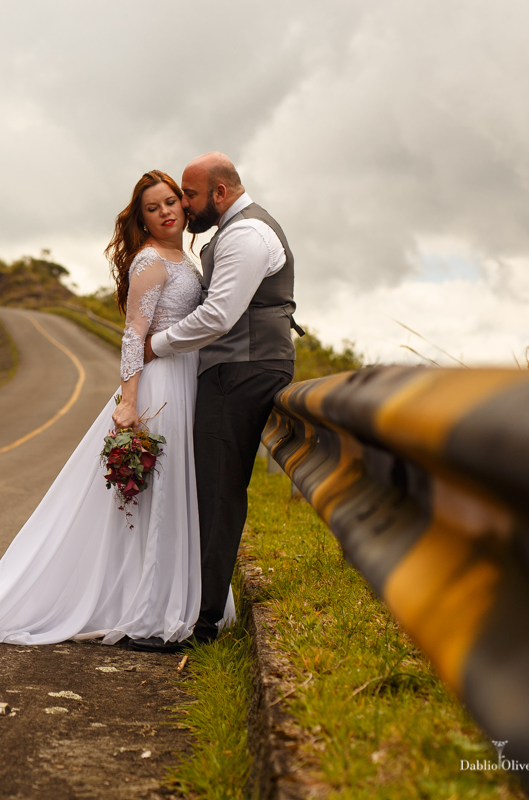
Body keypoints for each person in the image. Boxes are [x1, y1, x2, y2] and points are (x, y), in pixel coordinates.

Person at [0, 170, 235, 654]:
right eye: (154, 208)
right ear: (142, 219)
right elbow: (133, 336)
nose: (167, 211)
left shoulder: (183, 257)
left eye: (172, 201)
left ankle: (177, 601)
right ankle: (153, 611)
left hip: (186, 378)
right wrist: (128, 402)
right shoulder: (150, 261)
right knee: (158, 495)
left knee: (179, 493)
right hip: (160, 383)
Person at [128, 153, 297, 654]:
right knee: (209, 489)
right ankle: (198, 612)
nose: (183, 204)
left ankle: (199, 625)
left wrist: (156, 346)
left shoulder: (245, 235)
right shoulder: (233, 231)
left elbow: (220, 314)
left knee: (217, 491)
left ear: (219, 194)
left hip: (243, 368)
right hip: (233, 367)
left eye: (190, 194)